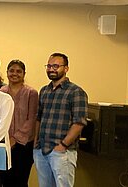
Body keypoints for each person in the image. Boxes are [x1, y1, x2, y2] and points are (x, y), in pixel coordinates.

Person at [34, 53, 88, 187]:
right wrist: (36, 143)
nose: (51, 69)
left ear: (66, 68)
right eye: (49, 66)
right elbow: (38, 118)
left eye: (56, 66)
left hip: (62, 152)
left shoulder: (76, 92)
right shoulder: (44, 91)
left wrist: (63, 145)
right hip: (42, 150)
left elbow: (79, 122)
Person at [0, 60, 38, 187]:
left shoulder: (31, 93)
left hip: (24, 145)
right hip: (4, 143)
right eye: (11, 71)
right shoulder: (1, 92)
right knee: (5, 179)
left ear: (24, 74)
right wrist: (5, 138)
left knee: (20, 180)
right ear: (7, 72)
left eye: (18, 71)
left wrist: (15, 138)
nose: (14, 74)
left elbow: (32, 118)